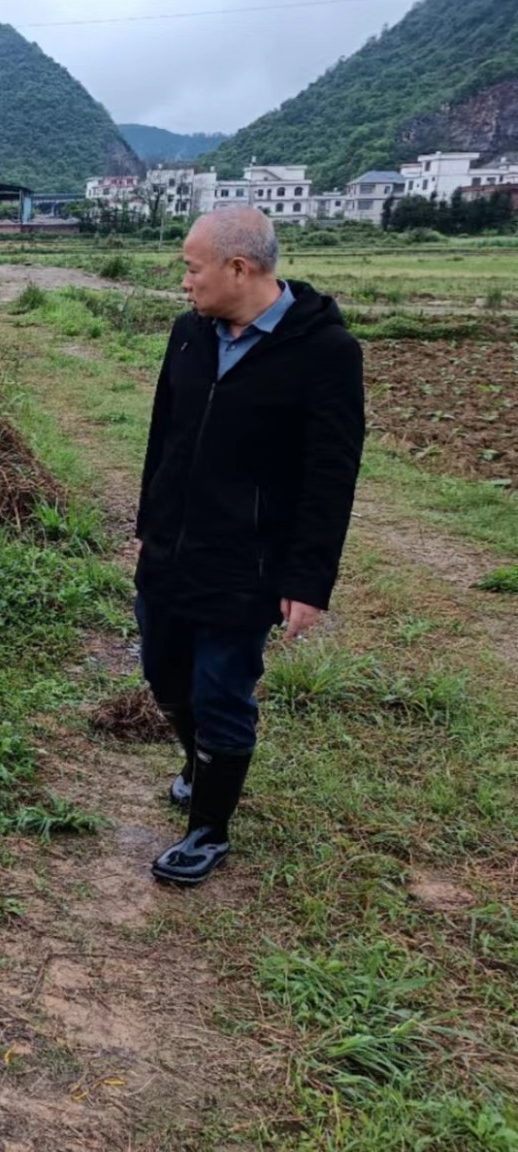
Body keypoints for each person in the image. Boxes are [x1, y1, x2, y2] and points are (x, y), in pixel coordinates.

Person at [135, 207, 365, 886]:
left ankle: (208, 828)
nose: (184, 281)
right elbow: (163, 437)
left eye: (192, 266)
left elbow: (331, 476)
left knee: (221, 692)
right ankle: (198, 764)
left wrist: (308, 579)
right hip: (172, 549)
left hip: (249, 562)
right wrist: (149, 525)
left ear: (239, 268)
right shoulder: (189, 335)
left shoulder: (325, 353)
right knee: (164, 674)